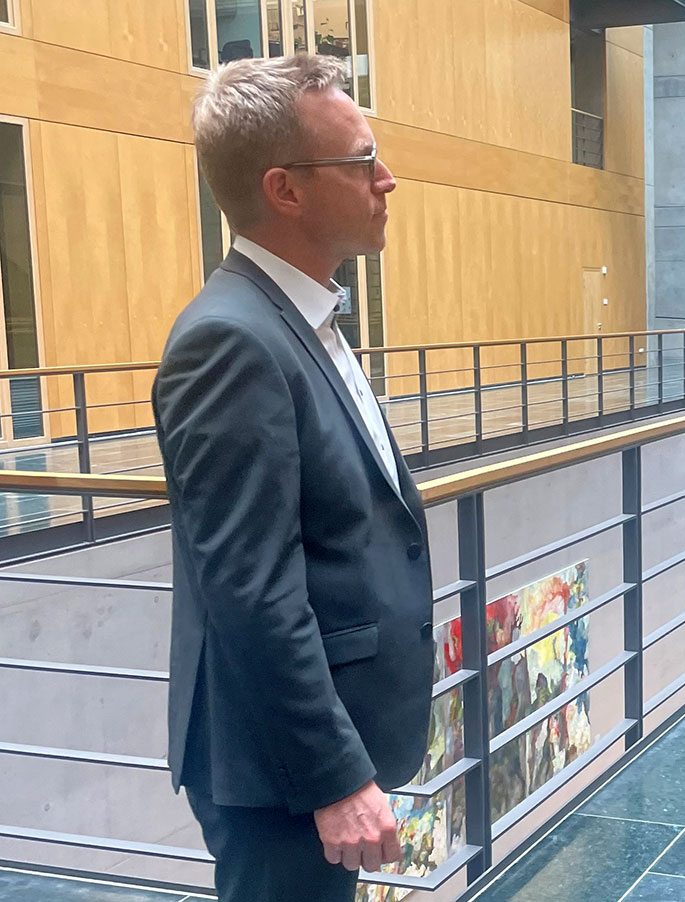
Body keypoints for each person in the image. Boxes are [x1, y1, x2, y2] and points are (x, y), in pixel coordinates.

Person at [153, 54, 434, 902]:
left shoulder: (300, 318)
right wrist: (333, 777)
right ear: (285, 190)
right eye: (362, 160)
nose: (386, 178)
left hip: (312, 753)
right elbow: (250, 587)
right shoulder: (231, 342)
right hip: (283, 773)